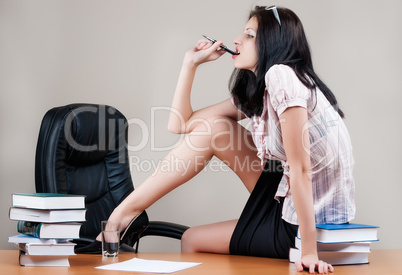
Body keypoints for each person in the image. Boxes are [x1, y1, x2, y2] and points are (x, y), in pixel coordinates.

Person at [85, 5, 355, 274]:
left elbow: (302, 168)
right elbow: (180, 124)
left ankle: (119, 217)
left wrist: (308, 251)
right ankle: (124, 215)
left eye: (249, 35)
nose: (237, 40)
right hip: (286, 194)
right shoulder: (261, 87)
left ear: (273, 42)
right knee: (214, 128)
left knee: (192, 239)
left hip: (304, 223)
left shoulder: (281, 75)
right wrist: (190, 64)